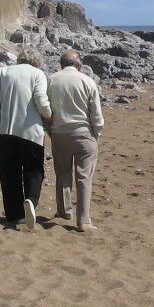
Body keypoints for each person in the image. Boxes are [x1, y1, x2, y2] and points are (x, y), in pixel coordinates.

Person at [0, 47, 52, 230]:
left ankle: (14, 215)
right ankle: (31, 201)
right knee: (34, 169)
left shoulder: (4, 71)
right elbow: (41, 100)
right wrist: (49, 116)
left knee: (9, 173)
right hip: (30, 131)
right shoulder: (37, 74)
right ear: (37, 61)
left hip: (5, 130)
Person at [47, 49, 104, 232]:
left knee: (62, 173)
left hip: (59, 133)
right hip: (83, 133)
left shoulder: (51, 80)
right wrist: (97, 133)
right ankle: (83, 220)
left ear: (61, 65)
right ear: (79, 66)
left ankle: (64, 211)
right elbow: (96, 113)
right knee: (84, 176)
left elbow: (44, 107)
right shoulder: (87, 81)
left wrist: (50, 130)